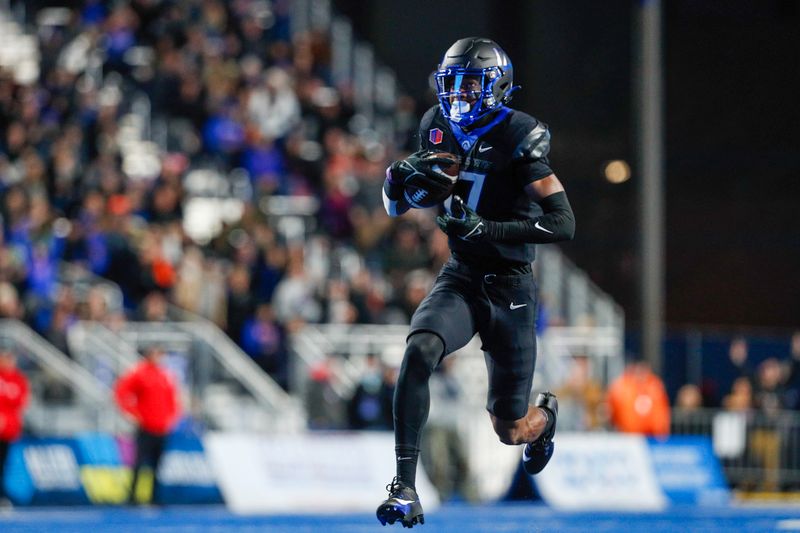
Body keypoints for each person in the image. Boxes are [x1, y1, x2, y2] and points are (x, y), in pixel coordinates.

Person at [377, 37, 575, 527]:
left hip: (510, 286)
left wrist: (489, 230)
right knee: (419, 348)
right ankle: (404, 486)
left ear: (497, 87)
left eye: (471, 85)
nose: (459, 96)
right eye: (453, 84)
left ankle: (545, 418)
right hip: (462, 275)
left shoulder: (519, 134)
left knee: (511, 429)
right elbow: (402, 205)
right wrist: (394, 180)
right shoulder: (436, 125)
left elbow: (563, 221)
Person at [114, 345, 181, 505]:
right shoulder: (140, 373)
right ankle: (132, 497)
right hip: (146, 427)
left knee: (157, 465)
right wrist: (132, 413)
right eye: (157, 353)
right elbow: (121, 392)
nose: (160, 357)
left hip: (162, 428)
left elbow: (172, 400)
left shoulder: (165, 375)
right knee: (139, 463)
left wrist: (171, 418)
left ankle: (154, 497)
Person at [606, 359, 670, 437]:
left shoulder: (655, 385)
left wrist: (662, 431)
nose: (641, 373)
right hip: (628, 436)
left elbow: (661, 410)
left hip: (652, 436)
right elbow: (612, 410)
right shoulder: (622, 386)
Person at [0, 349, 29, 505]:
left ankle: (1, 495)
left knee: (4, 463)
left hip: (8, 430)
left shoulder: (18, 379)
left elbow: (22, 401)